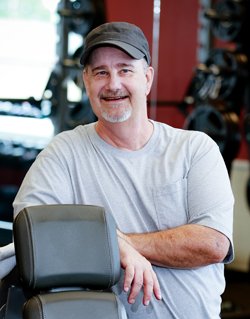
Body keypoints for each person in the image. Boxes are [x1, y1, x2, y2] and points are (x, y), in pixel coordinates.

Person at [0, 22, 234, 318]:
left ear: (147, 79)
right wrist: (119, 250)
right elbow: (32, 234)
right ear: (86, 81)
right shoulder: (63, 153)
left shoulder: (195, 149)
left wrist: (117, 242)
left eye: (125, 70)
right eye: (101, 72)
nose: (113, 84)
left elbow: (212, 243)